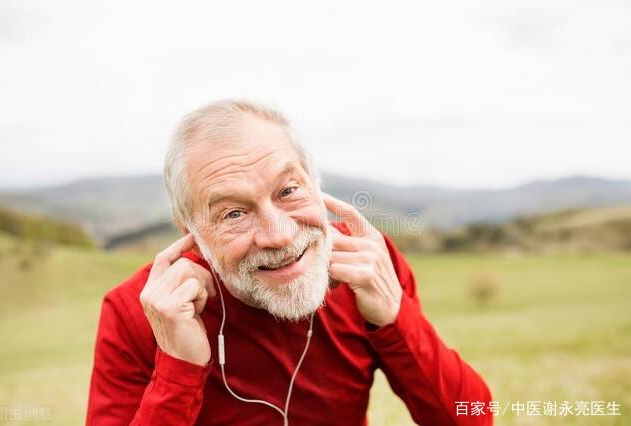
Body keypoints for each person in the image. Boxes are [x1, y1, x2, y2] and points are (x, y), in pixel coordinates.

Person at [86, 100, 493, 425]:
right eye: (234, 214)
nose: (279, 235)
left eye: (288, 190)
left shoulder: (367, 263)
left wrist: (394, 318)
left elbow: (471, 418)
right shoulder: (139, 312)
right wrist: (179, 367)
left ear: (316, 185)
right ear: (189, 231)